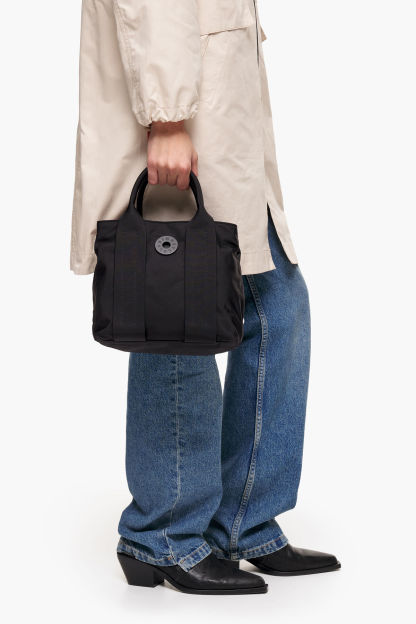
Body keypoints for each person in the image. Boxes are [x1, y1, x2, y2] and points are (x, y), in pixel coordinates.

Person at [71, 0, 340, 595]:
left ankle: (244, 520)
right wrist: (166, 118)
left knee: (275, 304)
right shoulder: (171, 116)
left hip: (220, 108)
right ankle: (162, 535)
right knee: (177, 314)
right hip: (182, 113)